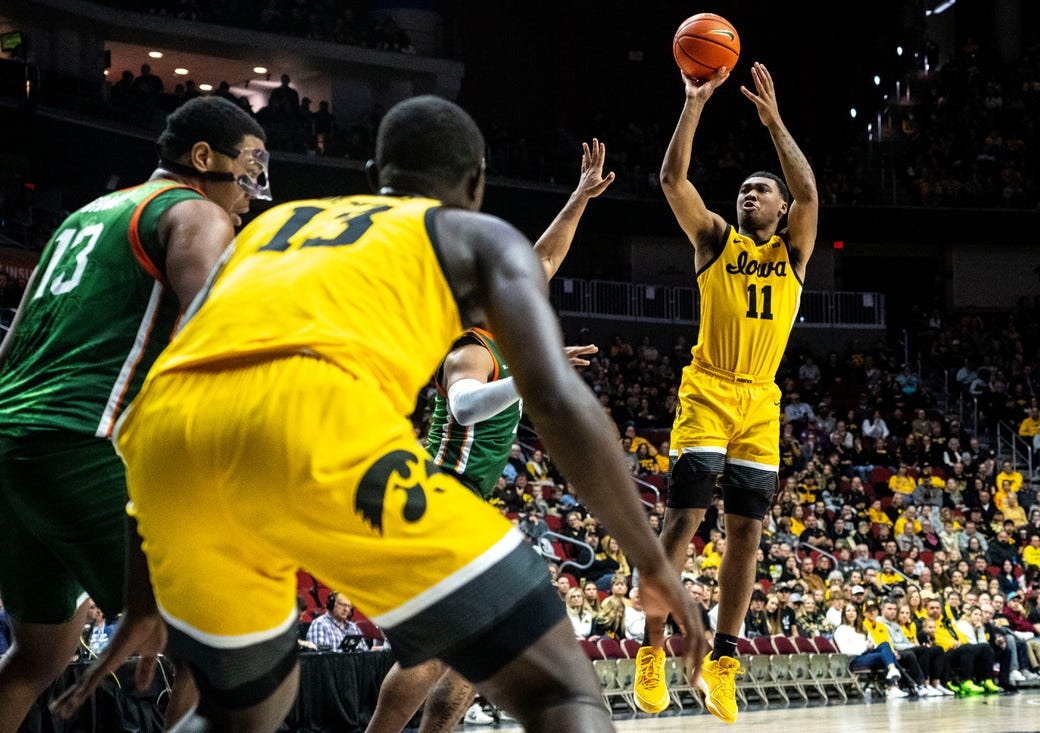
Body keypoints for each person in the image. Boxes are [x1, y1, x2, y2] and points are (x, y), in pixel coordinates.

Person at [52, 95, 706, 732]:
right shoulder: (469, 236)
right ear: (475, 184)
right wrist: (651, 560)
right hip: (311, 427)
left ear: (371, 177)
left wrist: (143, 594)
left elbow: (187, 370)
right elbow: (560, 398)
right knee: (561, 686)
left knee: (248, 705)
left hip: (165, 447)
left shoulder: (274, 228)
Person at [0, 95, 268, 733]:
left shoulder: (80, 219)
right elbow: (218, 331)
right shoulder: (197, 213)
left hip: (10, 445)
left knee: (43, 650)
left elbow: (12, 344)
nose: (253, 195)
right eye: (251, 173)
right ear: (204, 159)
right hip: (82, 441)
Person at [368, 134, 612, 733]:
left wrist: (580, 196)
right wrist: (529, 382)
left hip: (465, 505)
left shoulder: (508, 331)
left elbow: (546, 259)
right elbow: (468, 408)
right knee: (435, 653)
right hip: (435, 497)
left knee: (476, 659)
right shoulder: (471, 349)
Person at [633, 60, 818, 725]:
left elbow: (809, 191)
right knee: (684, 517)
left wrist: (774, 124)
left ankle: (727, 659)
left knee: (748, 530)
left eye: (761, 190)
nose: (750, 195)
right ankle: (652, 648)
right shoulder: (715, 241)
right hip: (709, 388)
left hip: (760, 401)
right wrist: (693, 104)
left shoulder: (794, 250)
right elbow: (671, 180)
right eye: (743, 189)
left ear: (779, 207)